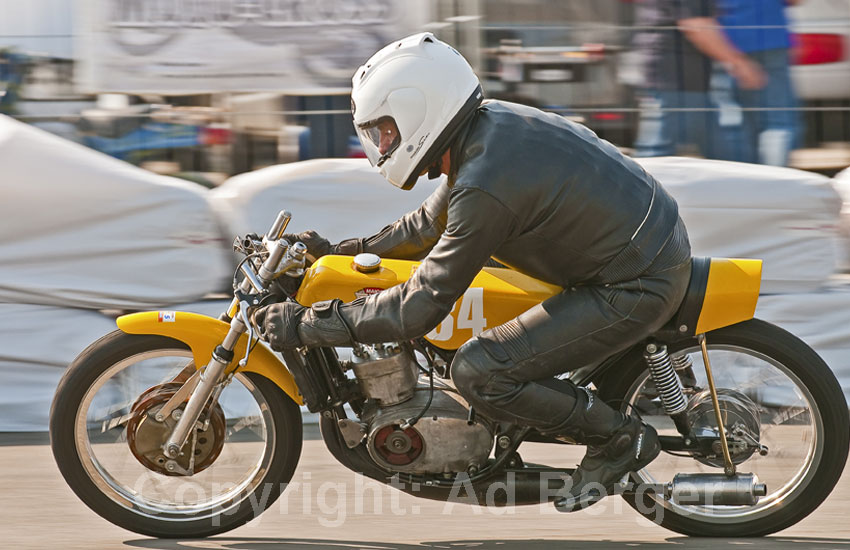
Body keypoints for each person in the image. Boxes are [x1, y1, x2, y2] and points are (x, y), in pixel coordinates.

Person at [254, 32, 693, 510]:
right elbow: (424, 227)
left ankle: (619, 437)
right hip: (639, 243)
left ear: (421, 112)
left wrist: (311, 323)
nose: (381, 144)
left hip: (631, 282)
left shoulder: (487, 185)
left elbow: (419, 306)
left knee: (480, 369)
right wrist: (336, 253)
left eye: (385, 130)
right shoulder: (484, 136)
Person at [631, 0, 766, 158]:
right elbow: (696, 25)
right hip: (676, 77)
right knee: (656, 152)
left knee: (725, 151)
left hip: (678, 75)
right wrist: (739, 63)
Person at [711, 0, 801, 165]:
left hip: (720, 41)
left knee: (733, 121)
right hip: (770, 39)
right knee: (777, 122)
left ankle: (740, 182)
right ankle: (773, 183)